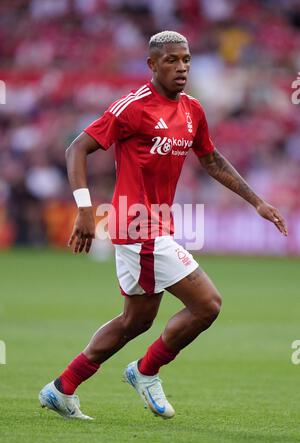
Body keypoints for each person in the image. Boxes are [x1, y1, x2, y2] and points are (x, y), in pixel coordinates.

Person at [39, 31, 288, 420]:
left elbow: (211, 160)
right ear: (152, 65)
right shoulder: (134, 106)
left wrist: (256, 201)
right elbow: (77, 148)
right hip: (138, 228)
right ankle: (145, 371)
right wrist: (85, 210)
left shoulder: (192, 110)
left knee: (135, 321)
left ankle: (62, 387)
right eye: (171, 60)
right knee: (208, 304)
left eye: (186, 59)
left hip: (156, 227)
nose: (182, 67)